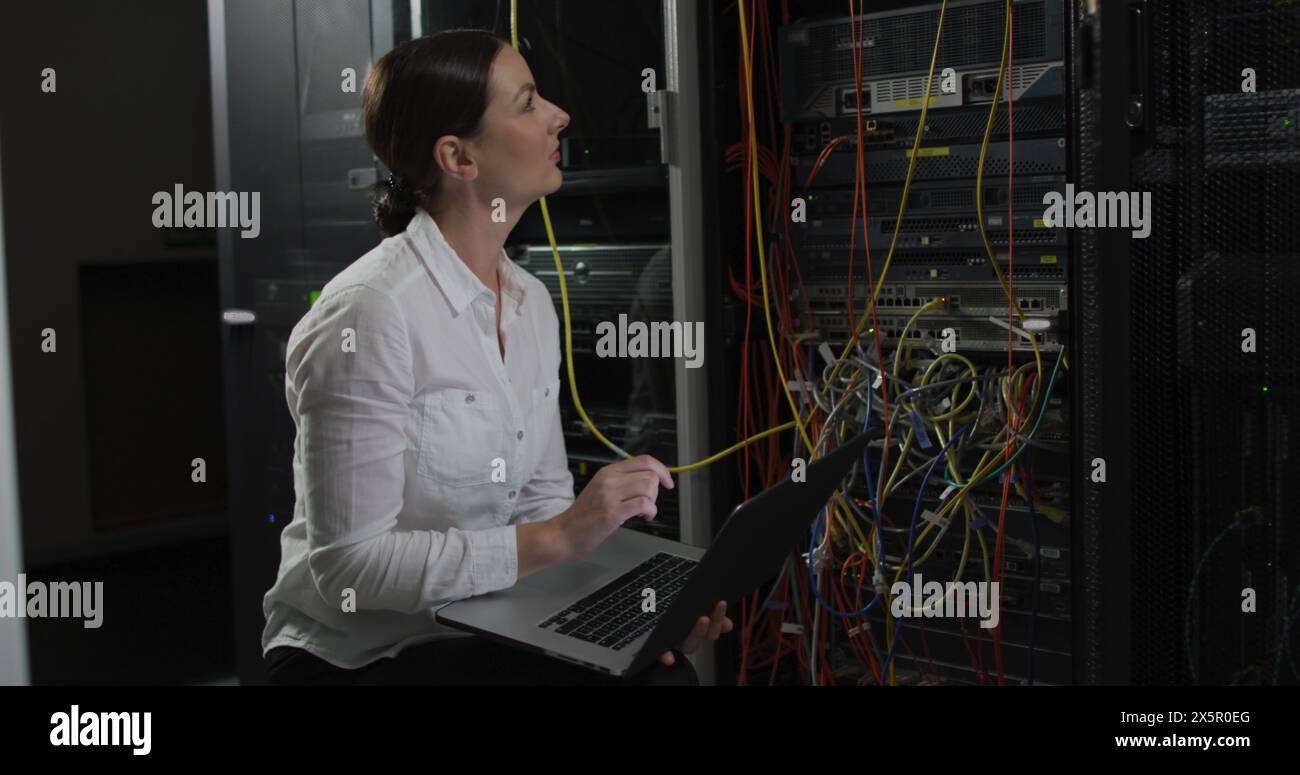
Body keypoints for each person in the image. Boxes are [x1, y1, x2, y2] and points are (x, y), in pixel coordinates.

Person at [259, 28, 732, 686]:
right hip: (360, 654)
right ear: (459, 157)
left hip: (486, 621)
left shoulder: (530, 302)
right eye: (529, 102)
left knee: (663, 669)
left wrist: (642, 611)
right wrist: (560, 537)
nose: (559, 115)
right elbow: (348, 568)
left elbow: (541, 500)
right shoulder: (370, 314)